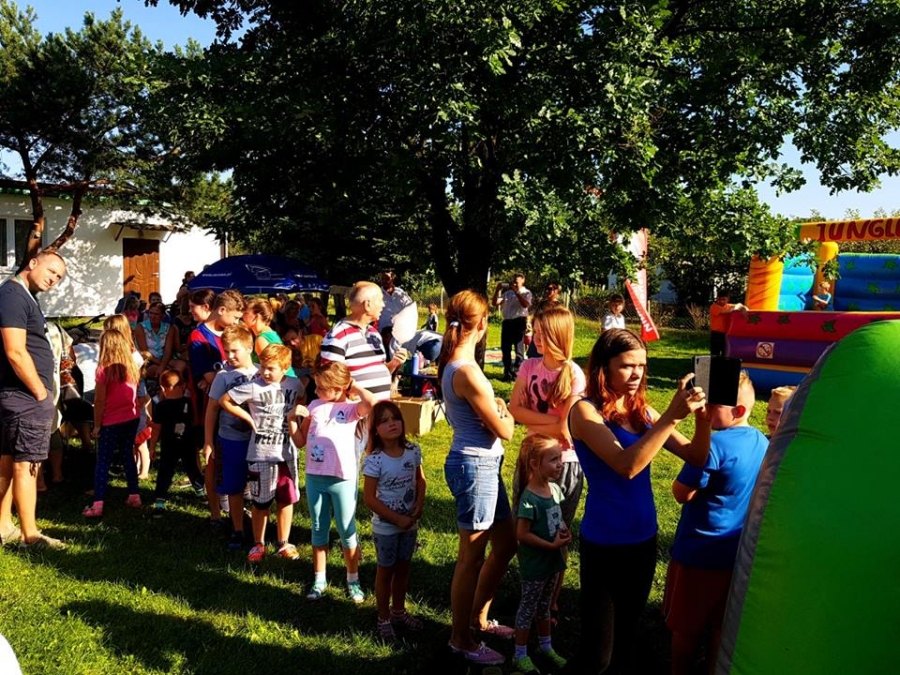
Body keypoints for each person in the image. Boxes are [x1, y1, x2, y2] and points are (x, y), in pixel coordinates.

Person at [566, 328, 710, 674]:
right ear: (604, 367)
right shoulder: (584, 412)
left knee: (627, 638)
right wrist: (671, 417)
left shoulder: (641, 411)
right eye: (627, 366)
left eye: (642, 366)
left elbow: (696, 455)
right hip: (604, 541)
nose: (637, 374)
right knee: (597, 654)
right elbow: (626, 466)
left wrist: (703, 420)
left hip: (643, 537)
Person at [664, 371, 768, 675]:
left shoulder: (714, 445)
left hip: (699, 553)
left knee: (686, 626)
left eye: (713, 404)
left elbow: (681, 493)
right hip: (735, 552)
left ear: (738, 410)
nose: (704, 408)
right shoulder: (761, 440)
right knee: (722, 624)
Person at [441, 290, 517, 666]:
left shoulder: (458, 363)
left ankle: (479, 619)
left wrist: (496, 408)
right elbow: (505, 431)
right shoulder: (466, 370)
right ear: (484, 322)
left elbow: (486, 414)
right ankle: (461, 639)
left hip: (483, 465)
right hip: (475, 467)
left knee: (505, 544)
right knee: (470, 559)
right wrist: (507, 414)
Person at [509, 306, 585, 622]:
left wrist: (535, 420)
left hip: (562, 464)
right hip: (530, 460)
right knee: (525, 525)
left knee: (556, 530)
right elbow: (514, 409)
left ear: (559, 335)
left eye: (542, 333)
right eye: (534, 331)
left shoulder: (574, 374)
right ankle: (531, 589)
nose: (535, 338)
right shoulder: (529, 366)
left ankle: (550, 600)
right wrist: (552, 423)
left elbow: (567, 430)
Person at [289, 361, 376, 602]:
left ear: (338, 388)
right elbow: (299, 441)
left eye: (320, 387)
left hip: (342, 479)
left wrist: (353, 385)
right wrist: (291, 419)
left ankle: (353, 578)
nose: (315, 391)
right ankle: (319, 578)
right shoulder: (314, 406)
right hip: (315, 478)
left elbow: (371, 402)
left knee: (347, 530)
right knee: (319, 528)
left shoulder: (351, 409)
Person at [0, 251, 67, 549]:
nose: (54, 279)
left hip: (19, 395)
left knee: (9, 461)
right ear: (33, 262)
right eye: (51, 271)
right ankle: (31, 535)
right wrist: (40, 393)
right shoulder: (13, 296)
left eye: (59, 277)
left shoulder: (23, 295)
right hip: (26, 396)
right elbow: (15, 351)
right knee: (28, 463)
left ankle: (3, 526)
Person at [220, 344, 305, 563]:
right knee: (261, 501)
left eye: (271, 368)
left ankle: (284, 542)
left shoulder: (295, 384)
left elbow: (301, 399)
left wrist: (296, 419)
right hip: (260, 453)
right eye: (263, 367)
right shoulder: (253, 386)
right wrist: (248, 419)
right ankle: (258, 543)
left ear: (285, 368)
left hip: (286, 452)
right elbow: (225, 400)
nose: (265, 372)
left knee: (286, 498)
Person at [362, 400, 426, 637]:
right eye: (384, 421)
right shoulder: (375, 460)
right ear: (375, 429)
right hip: (386, 528)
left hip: (410, 524)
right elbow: (369, 498)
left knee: (403, 569)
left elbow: (420, 480)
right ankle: (383, 617)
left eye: (395, 418)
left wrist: (419, 504)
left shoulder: (413, 451)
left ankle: (398, 611)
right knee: (386, 571)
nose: (392, 424)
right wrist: (396, 519)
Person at [512, 435, 571, 674]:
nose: (560, 464)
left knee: (545, 605)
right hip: (536, 564)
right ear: (535, 464)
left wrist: (563, 530)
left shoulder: (554, 489)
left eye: (560, 458)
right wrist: (550, 545)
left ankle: (546, 646)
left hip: (552, 562)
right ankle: (520, 654)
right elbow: (522, 534)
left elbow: (557, 518)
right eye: (554, 459)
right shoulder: (529, 499)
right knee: (528, 607)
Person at [189, 289, 245, 528]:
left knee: (234, 459)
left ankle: (236, 507)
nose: (237, 322)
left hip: (235, 409)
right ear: (221, 310)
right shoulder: (198, 337)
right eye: (235, 317)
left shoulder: (231, 333)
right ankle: (215, 514)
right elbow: (210, 377)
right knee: (212, 459)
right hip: (209, 408)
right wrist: (221, 380)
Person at [204, 325, 258, 549]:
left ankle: (258, 531)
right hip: (231, 438)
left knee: (258, 486)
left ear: (249, 347)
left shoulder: (262, 373)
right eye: (226, 351)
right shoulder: (223, 376)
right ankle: (237, 529)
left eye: (235, 350)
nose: (230, 356)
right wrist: (208, 441)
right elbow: (212, 409)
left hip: (257, 441)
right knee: (234, 486)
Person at [83, 329, 143, 518]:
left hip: (110, 420)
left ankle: (98, 504)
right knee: (127, 454)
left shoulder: (104, 370)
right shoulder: (131, 365)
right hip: (131, 417)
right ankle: (134, 494)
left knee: (103, 461)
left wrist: (97, 425)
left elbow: (100, 400)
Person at [320, 281, 408, 401]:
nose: (383, 305)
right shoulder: (338, 336)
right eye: (380, 300)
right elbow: (328, 379)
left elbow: (377, 371)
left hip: (378, 410)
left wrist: (393, 364)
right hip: (355, 411)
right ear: (367, 305)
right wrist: (352, 399)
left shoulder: (374, 333)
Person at [149, 369, 205, 514]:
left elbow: (156, 429)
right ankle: (201, 492)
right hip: (187, 442)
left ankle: (160, 501)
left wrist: (152, 447)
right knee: (192, 468)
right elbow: (195, 421)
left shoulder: (160, 406)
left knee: (165, 471)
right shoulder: (189, 403)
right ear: (183, 385)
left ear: (163, 389)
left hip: (169, 445)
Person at [493, 273, 532, 381]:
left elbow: (525, 304)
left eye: (516, 282)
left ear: (523, 281)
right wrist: (497, 290)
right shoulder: (507, 293)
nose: (514, 284)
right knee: (505, 348)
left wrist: (516, 292)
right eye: (513, 282)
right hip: (507, 322)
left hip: (519, 321)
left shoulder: (526, 292)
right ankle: (507, 373)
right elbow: (494, 303)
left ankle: (518, 373)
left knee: (519, 349)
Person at [242, 298, 295, 376]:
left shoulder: (261, 340)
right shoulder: (270, 332)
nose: (242, 316)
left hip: (282, 380)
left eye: (246, 313)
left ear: (256, 316)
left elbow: (269, 369)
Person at [378, 271, 414, 356]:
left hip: (400, 328)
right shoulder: (378, 294)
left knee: (402, 353)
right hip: (385, 330)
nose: (384, 281)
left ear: (392, 279)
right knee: (387, 354)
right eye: (382, 279)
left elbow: (410, 307)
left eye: (387, 278)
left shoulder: (400, 293)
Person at [134, 301, 173, 380]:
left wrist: (163, 365)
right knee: (161, 371)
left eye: (156, 314)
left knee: (181, 365)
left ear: (162, 316)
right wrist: (161, 365)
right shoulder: (140, 327)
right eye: (151, 313)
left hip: (163, 359)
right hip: (147, 360)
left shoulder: (168, 328)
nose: (152, 316)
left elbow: (168, 350)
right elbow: (145, 352)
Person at [709, 292, 748, 357]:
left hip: (726, 334)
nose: (721, 301)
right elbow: (727, 311)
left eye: (723, 299)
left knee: (726, 353)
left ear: (728, 299)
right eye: (719, 299)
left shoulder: (729, 306)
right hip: (716, 334)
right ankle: (714, 363)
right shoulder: (714, 306)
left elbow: (740, 305)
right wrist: (738, 308)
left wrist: (743, 308)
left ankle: (724, 363)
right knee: (715, 354)